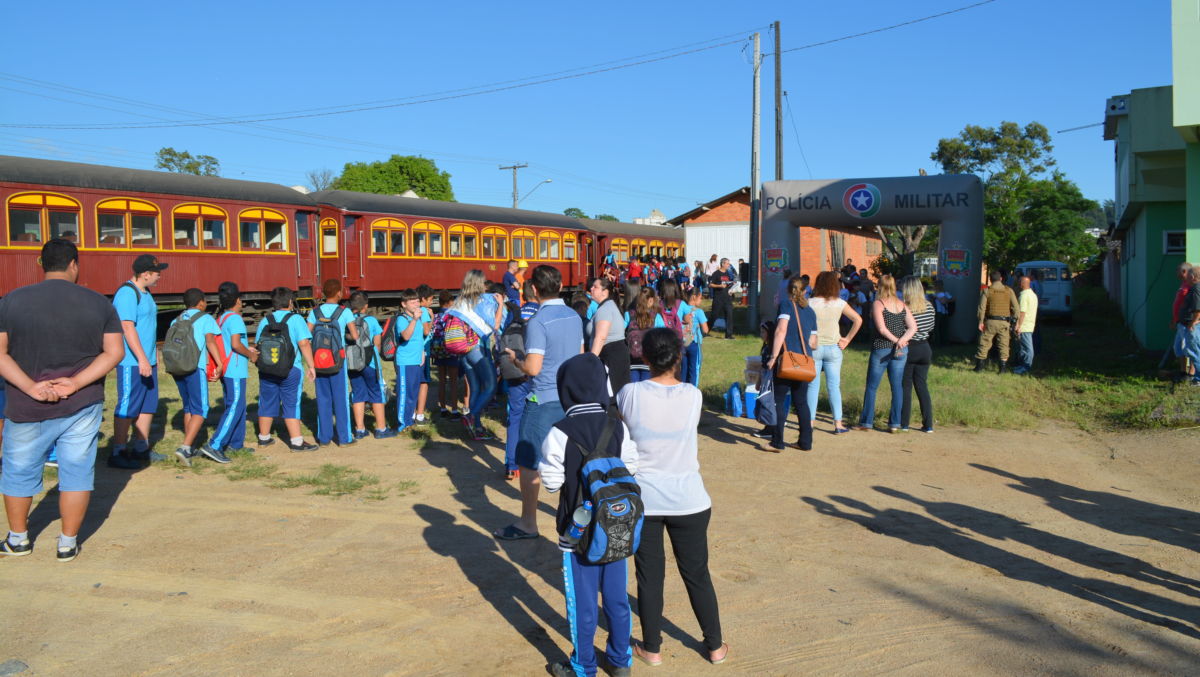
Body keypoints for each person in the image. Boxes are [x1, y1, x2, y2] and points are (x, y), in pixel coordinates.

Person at [0, 239, 124, 562]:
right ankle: (67, 543)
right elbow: (114, 353)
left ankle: (18, 539)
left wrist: (31, 387)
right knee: (77, 472)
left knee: (18, 472)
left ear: (41, 264)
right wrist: (75, 382)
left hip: (26, 406)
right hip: (81, 404)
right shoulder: (100, 303)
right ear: (74, 264)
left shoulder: (11, 301)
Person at [616, 329, 729, 667]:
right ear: (679, 356)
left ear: (644, 357)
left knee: (649, 576)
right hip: (689, 498)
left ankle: (652, 649)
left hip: (646, 497)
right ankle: (715, 646)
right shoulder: (693, 395)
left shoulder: (629, 393)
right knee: (697, 574)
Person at [538, 353, 639, 677]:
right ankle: (620, 662)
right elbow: (633, 468)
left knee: (583, 605)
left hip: (576, 533)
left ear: (565, 388)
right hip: (616, 527)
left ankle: (584, 666)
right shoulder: (617, 426)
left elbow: (552, 483)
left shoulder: (559, 431)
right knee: (617, 599)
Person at [495, 265, 583, 541]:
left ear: (534, 289)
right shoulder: (573, 315)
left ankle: (528, 523)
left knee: (529, 460)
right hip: (570, 397)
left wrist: (514, 360)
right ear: (559, 285)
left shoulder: (538, 322)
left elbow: (532, 368)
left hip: (543, 398)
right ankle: (572, 518)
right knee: (570, 461)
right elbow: (580, 355)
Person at [110, 254, 168, 469]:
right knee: (128, 405)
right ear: (145, 274)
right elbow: (127, 327)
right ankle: (118, 451)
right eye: (157, 273)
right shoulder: (127, 293)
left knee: (147, 405)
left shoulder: (146, 292)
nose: (159, 276)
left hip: (147, 361)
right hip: (131, 362)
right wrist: (142, 358)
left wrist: (152, 359)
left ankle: (141, 448)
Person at [255, 287, 318, 451]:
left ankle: (264, 438)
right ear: (290, 302)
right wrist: (311, 366)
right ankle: (296, 442)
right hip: (291, 369)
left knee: (266, 401)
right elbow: (304, 343)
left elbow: (257, 346)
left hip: (267, 369)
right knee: (291, 403)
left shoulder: (265, 320)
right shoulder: (296, 319)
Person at [169, 288, 225, 465]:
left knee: (189, 408)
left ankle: (190, 445)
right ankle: (185, 448)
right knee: (201, 409)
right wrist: (220, 363)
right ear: (201, 302)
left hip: (178, 367)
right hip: (195, 367)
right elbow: (210, 342)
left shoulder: (176, 319)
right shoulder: (205, 318)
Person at [856, 275, 916, 433]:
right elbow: (913, 327)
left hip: (881, 348)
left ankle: (866, 422)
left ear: (879, 286)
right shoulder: (902, 305)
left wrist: (897, 340)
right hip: (900, 350)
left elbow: (881, 329)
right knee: (897, 387)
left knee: (872, 386)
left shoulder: (878, 304)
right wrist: (902, 341)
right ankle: (894, 424)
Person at [765, 276, 819, 451]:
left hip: (786, 360)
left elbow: (781, 330)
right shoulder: (810, 312)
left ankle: (777, 442)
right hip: (804, 362)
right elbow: (813, 342)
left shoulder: (786, 305)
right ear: (805, 291)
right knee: (801, 402)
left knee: (778, 400)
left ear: (789, 289)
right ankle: (805, 442)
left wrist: (773, 356)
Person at [205, 282, 258, 458]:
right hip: (234, 368)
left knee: (238, 405)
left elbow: (229, 343)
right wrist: (251, 355)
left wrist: (246, 348)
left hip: (227, 366)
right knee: (235, 405)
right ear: (237, 300)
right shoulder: (235, 319)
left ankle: (236, 443)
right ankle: (215, 444)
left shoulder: (221, 318)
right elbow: (235, 344)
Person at [807, 271, 862, 434]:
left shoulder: (809, 302)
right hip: (834, 347)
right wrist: (847, 339)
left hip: (814, 347)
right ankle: (838, 424)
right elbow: (858, 319)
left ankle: (809, 422)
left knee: (812, 386)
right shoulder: (840, 303)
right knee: (834, 386)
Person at [449, 270, 501, 440]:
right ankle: (471, 416)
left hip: (462, 348)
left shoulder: (458, 301)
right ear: (480, 283)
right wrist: (500, 305)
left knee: (475, 388)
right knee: (491, 385)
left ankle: (476, 428)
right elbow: (495, 325)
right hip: (476, 348)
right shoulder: (481, 301)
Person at [307, 279, 358, 447]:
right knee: (341, 399)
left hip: (319, 361)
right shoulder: (345, 312)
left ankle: (324, 438)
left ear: (323, 293)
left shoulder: (314, 312)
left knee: (323, 399)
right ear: (339, 293)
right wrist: (346, 339)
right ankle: (344, 438)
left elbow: (307, 335)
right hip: (338, 361)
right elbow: (355, 336)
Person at [502, 281, 541, 480]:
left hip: (515, 370)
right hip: (536, 372)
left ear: (523, 296)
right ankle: (535, 462)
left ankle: (511, 465)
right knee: (538, 418)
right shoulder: (541, 313)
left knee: (515, 417)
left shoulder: (514, 313)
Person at [347, 291, 396, 440]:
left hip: (352, 363)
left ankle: (360, 429)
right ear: (366, 306)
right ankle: (381, 428)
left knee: (357, 394)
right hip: (370, 363)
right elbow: (377, 342)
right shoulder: (372, 321)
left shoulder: (347, 320)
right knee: (376, 393)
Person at [899, 276, 935, 432]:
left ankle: (904, 423)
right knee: (922, 386)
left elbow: (901, 330)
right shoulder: (929, 306)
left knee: (905, 387)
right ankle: (928, 425)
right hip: (925, 348)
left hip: (909, 348)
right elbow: (931, 327)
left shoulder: (905, 308)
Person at [587, 276, 630, 397]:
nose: (591, 288)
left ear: (605, 292)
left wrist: (590, 361)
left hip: (610, 359)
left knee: (611, 398)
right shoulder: (608, 306)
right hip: (614, 357)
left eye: (595, 287)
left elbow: (600, 338)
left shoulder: (605, 310)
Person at [392, 288, 426, 432]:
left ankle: (408, 420)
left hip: (416, 360)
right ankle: (402, 424)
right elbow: (405, 336)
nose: (416, 304)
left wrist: (422, 353)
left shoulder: (417, 318)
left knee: (413, 392)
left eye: (417, 301)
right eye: (412, 302)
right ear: (404, 304)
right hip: (405, 361)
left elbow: (420, 338)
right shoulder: (402, 319)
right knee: (405, 393)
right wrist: (414, 319)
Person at [975, 271, 1020, 373]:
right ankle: (1002, 369)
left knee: (984, 342)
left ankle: (979, 367)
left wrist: (980, 321)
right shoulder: (1009, 291)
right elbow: (1016, 308)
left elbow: (981, 308)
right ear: (1001, 279)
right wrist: (1014, 320)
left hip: (990, 321)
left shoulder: (987, 291)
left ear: (990, 280)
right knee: (1004, 345)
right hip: (1004, 322)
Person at [434, 290, 467, 417]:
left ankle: (442, 408)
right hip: (451, 350)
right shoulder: (452, 315)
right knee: (453, 381)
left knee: (442, 381)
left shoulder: (436, 316)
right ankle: (454, 409)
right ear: (449, 302)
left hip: (438, 351)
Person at [625, 287, 665, 383]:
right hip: (649, 360)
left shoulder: (628, 314)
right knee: (647, 389)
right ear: (651, 300)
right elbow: (664, 336)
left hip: (632, 360)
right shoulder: (656, 316)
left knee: (634, 388)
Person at [413, 284, 436, 425]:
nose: (432, 302)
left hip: (414, 352)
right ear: (423, 299)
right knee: (424, 382)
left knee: (414, 382)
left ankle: (412, 412)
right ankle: (420, 414)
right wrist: (432, 318)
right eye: (431, 299)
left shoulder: (413, 310)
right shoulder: (424, 311)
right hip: (424, 351)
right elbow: (426, 331)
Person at [1177, 265, 1200, 386]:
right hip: (1188, 324)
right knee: (1192, 350)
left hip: (1192, 325)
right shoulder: (1195, 288)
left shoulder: (1196, 288)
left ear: (1192, 276)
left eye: (1189, 276)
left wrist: (1193, 322)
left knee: (1194, 351)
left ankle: (1198, 378)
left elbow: (1197, 309)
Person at [1171, 263, 1195, 379]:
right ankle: (1182, 371)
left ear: (1184, 272)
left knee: (1190, 348)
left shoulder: (1192, 286)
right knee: (1178, 347)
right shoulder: (1183, 284)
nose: (1176, 274)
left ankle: (1191, 373)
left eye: (1178, 271)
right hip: (1180, 322)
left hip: (1187, 322)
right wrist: (1174, 319)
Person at [1011, 275, 1039, 376]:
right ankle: (1022, 365)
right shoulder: (1033, 294)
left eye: (1019, 282)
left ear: (1023, 283)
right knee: (1023, 346)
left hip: (1025, 325)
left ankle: (1026, 366)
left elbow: (1022, 312)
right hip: (1030, 323)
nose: (1018, 283)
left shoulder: (1023, 296)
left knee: (1027, 347)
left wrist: (1018, 325)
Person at [683, 287, 708, 387]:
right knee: (694, 369)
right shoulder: (699, 312)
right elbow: (705, 329)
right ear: (694, 297)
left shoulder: (683, 308)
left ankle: (682, 390)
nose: (701, 300)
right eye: (700, 298)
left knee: (684, 369)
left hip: (683, 342)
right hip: (694, 343)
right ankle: (693, 391)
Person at [709, 258, 736, 339]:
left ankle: (729, 335)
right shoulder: (716, 273)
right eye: (727, 263)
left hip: (727, 298)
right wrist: (719, 286)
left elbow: (728, 284)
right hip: (718, 298)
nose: (729, 265)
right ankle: (705, 330)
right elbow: (711, 285)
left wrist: (732, 287)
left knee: (729, 315)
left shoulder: (728, 273)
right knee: (714, 315)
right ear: (723, 264)